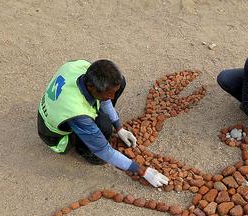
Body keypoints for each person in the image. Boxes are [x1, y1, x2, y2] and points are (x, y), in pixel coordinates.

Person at [37, 59, 169, 187]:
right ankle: (85, 150)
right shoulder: (77, 113)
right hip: (54, 134)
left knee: (120, 82)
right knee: (104, 128)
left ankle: (99, 112)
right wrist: (143, 171)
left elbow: (106, 99)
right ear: (90, 86)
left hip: (61, 106)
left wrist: (119, 128)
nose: (112, 97)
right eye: (108, 94)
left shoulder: (81, 66)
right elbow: (104, 151)